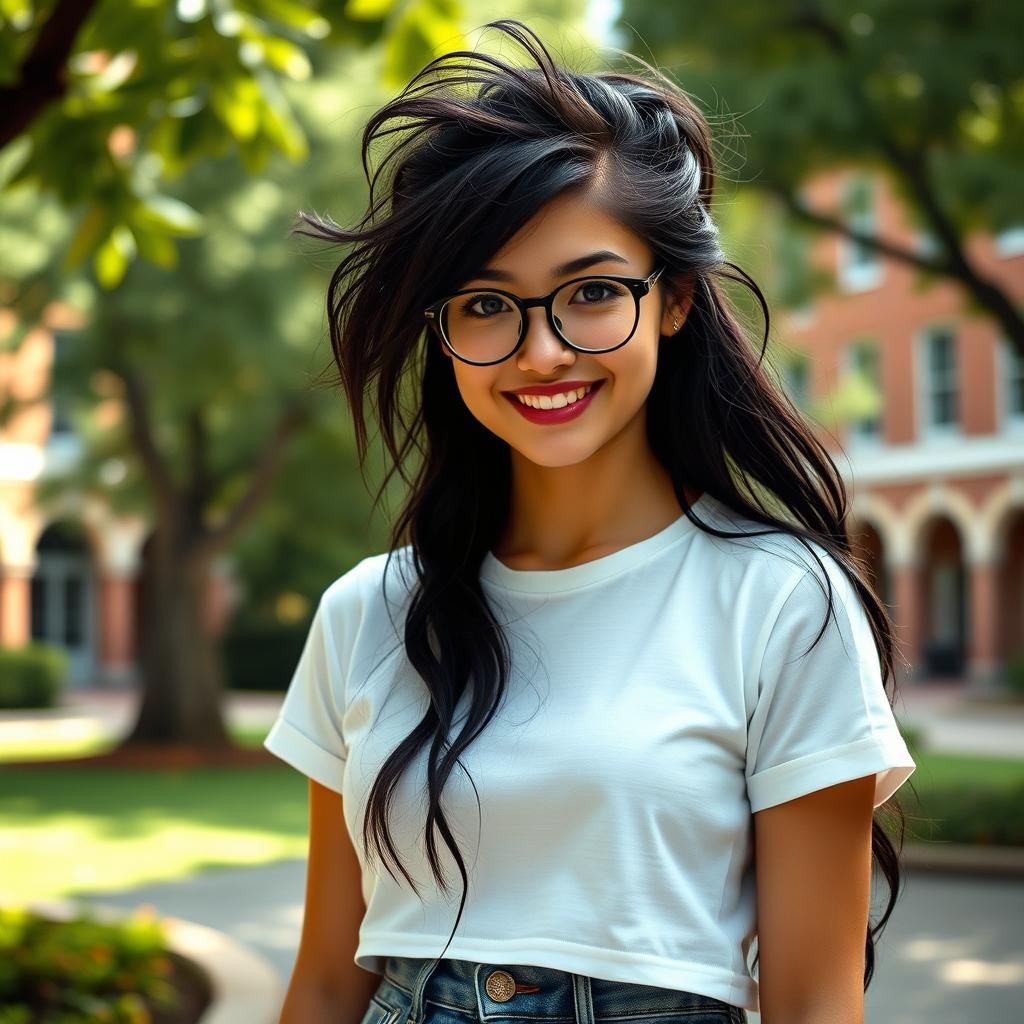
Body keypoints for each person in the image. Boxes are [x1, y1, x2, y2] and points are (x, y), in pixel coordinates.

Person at [263, 19, 917, 1024]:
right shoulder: (370, 613)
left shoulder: (781, 602)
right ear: (442, 337)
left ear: (676, 299)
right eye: (487, 305)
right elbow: (321, 981)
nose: (541, 353)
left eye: (592, 292)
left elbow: (813, 1000)